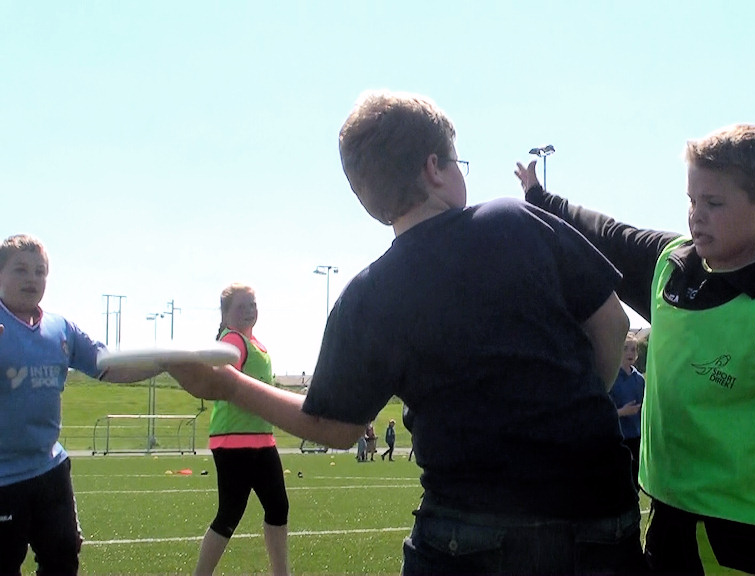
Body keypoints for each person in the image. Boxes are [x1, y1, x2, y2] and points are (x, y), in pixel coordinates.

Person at [165, 90, 645, 575]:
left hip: (465, 526)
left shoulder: (368, 294)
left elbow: (335, 427)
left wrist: (230, 385)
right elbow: (612, 323)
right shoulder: (516, 219)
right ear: (434, 168)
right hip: (600, 510)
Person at [516, 123, 755, 575]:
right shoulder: (671, 264)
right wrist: (540, 198)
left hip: (733, 523)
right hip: (670, 501)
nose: (696, 215)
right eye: (691, 200)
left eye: (714, 203)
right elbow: (603, 232)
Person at [0, 233, 163, 575]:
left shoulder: (61, 329)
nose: (32, 278)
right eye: (20, 269)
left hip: (49, 469)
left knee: (63, 560)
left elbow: (110, 366)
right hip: (3, 479)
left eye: (40, 271)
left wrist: (165, 363)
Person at [194, 284, 289, 576]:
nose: (249, 311)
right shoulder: (232, 341)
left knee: (278, 507)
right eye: (241, 306)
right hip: (234, 442)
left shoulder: (255, 344)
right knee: (229, 514)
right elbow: (221, 380)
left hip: (262, 440)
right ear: (226, 314)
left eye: (252, 305)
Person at [608, 333, 645, 491]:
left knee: (637, 480)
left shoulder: (639, 379)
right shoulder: (612, 378)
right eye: (626, 349)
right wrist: (623, 412)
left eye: (634, 349)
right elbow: (604, 414)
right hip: (620, 437)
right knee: (621, 481)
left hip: (638, 437)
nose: (630, 353)